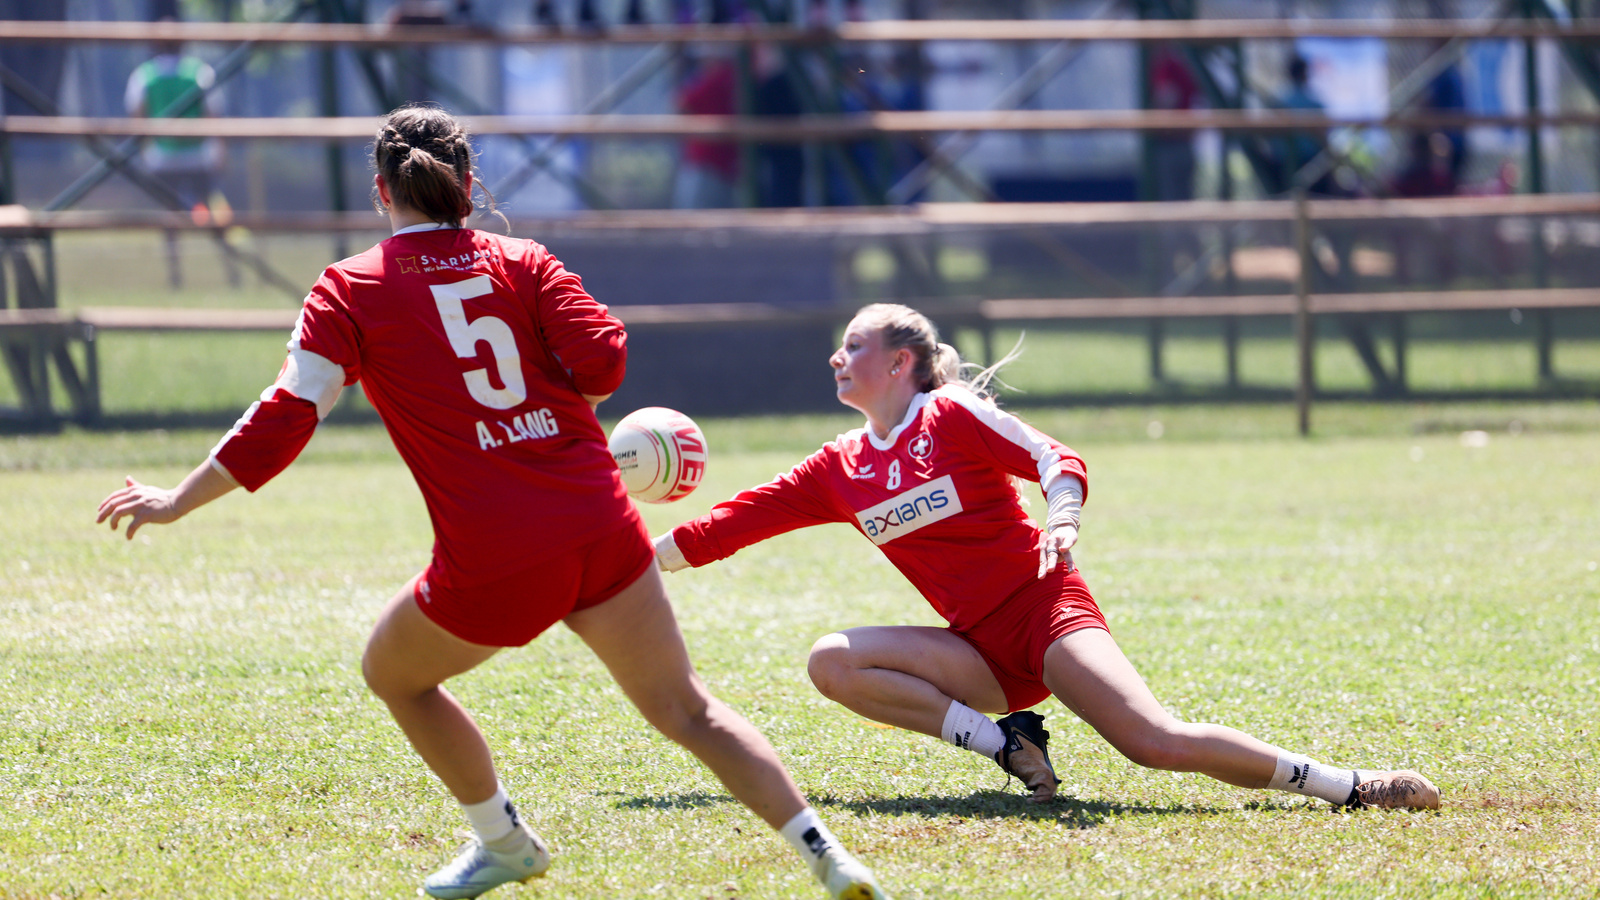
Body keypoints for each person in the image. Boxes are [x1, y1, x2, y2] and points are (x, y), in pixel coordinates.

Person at [95, 105, 888, 900]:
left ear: (381, 192)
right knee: (689, 711)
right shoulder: (525, 260)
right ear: (470, 186)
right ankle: (827, 854)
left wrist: (179, 499)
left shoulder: (349, 287)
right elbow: (604, 363)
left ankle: (503, 840)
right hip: (601, 526)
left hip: (499, 555)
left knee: (393, 674)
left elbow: (286, 413)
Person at [653, 303, 1442, 813]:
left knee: (1153, 743)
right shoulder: (840, 466)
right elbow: (727, 524)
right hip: (977, 654)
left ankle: (1354, 787)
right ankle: (1009, 745)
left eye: (854, 344)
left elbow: (1056, 459)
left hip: (1047, 613)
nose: (837, 356)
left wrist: (1062, 517)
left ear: (899, 364)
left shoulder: (951, 414)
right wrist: (622, 565)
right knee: (833, 661)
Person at [124, 22, 233, 289]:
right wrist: (219, 150)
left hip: (162, 159)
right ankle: (232, 271)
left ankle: (175, 277)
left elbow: (137, 116)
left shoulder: (144, 75)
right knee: (211, 214)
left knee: (170, 221)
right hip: (199, 157)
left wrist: (145, 151)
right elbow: (214, 114)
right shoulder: (198, 72)